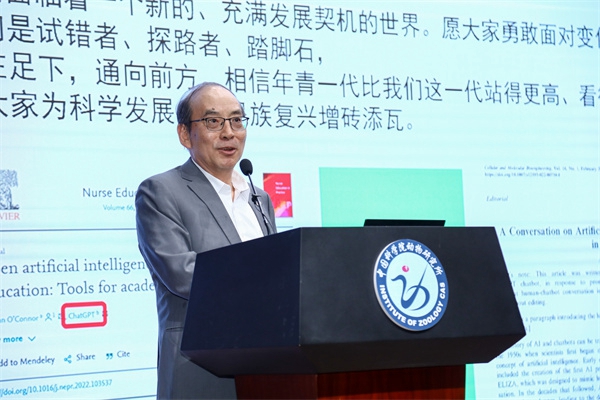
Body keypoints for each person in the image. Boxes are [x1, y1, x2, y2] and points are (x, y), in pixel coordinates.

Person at [135, 82, 276, 399]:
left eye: (236, 120)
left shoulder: (259, 197)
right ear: (185, 134)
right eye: (213, 121)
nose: (229, 133)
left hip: (269, 364)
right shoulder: (161, 191)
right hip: (200, 365)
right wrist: (268, 285)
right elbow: (181, 274)